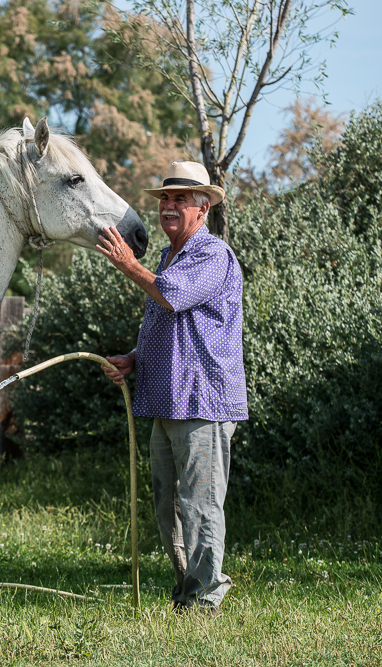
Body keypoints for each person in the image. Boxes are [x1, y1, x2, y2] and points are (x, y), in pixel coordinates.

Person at [95, 161, 248, 617]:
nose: (168, 207)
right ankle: (187, 592)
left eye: (180, 199)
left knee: (199, 506)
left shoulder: (211, 254)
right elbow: (168, 322)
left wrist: (128, 264)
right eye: (164, 199)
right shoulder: (168, 258)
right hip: (167, 400)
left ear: (203, 208)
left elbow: (173, 297)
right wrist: (133, 359)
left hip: (203, 401)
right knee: (169, 508)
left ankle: (206, 600)